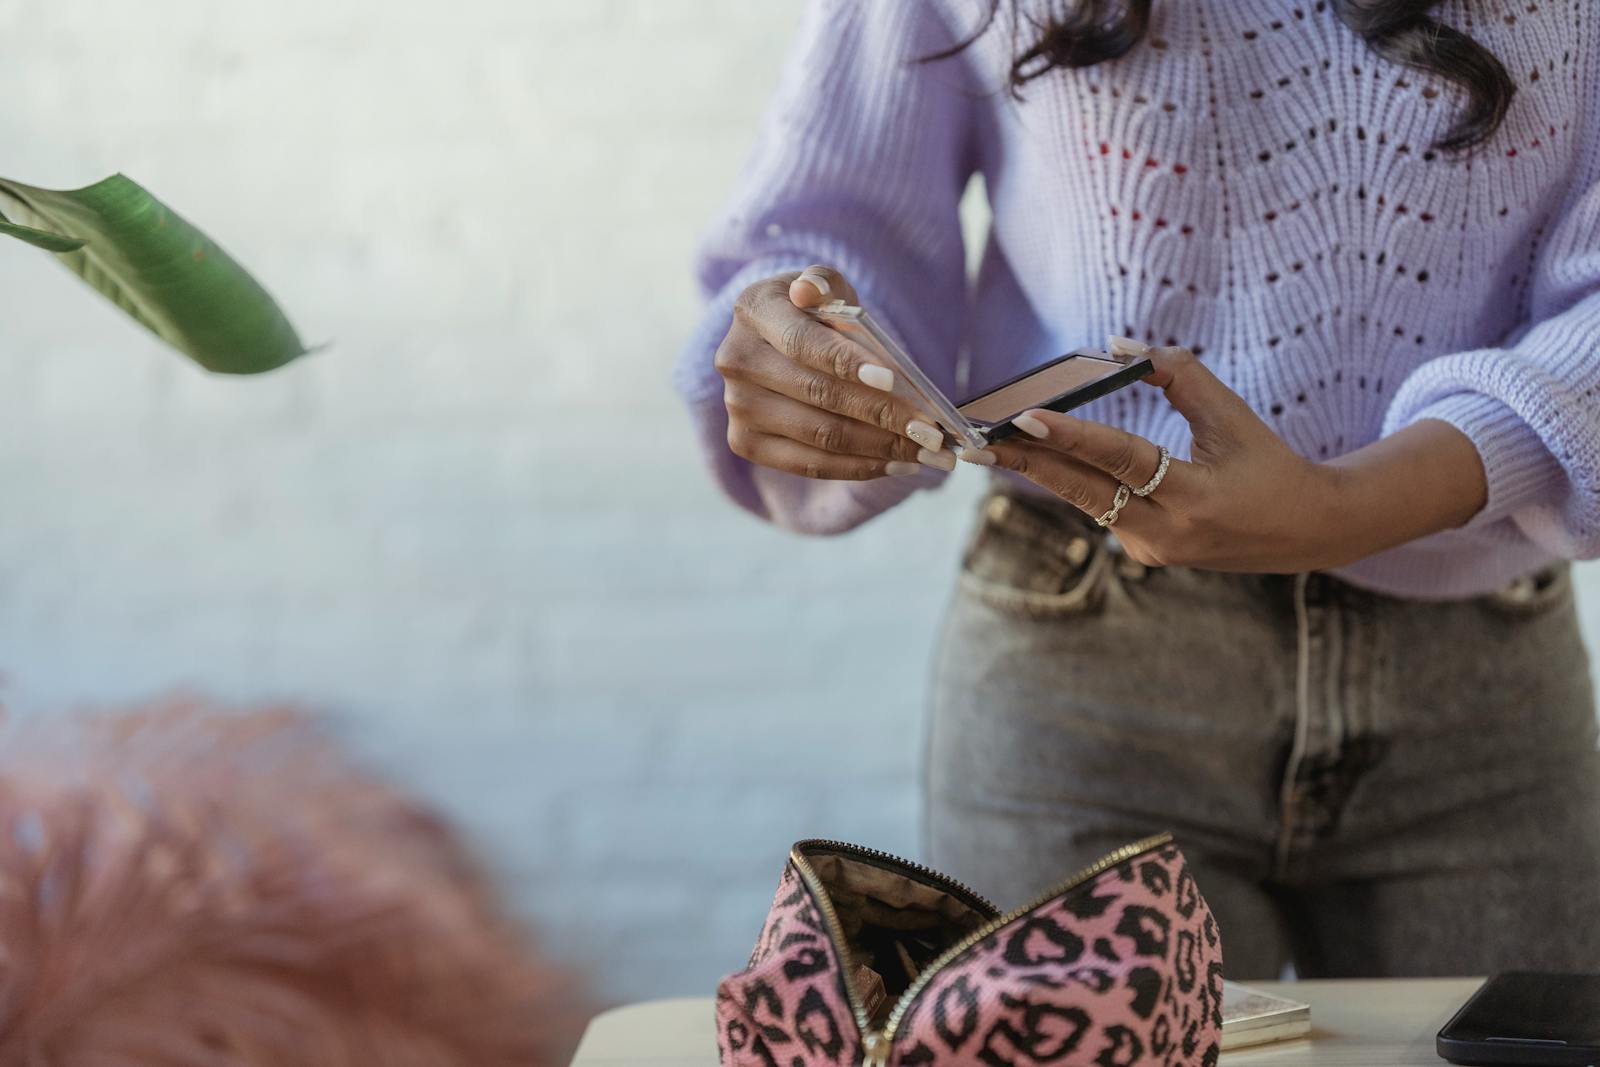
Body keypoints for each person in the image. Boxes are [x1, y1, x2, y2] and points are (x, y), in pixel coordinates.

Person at [675, 0, 1600, 978]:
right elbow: (828, 227)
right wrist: (807, 348)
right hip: (1084, 676)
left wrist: (1346, 506)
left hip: (1481, 691)